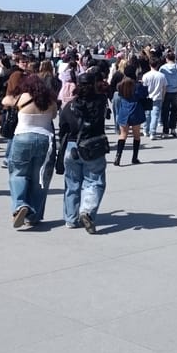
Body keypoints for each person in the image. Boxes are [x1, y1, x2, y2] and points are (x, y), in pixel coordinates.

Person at [2, 73, 56, 228]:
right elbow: (53, 115)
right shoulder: (50, 100)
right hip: (45, 139)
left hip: (22, 138)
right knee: (40, 179)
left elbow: (5, 100)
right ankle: (34, 216)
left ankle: (20, 205)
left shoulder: (23, 97)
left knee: (18, 173)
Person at [59, 71, 108, 233]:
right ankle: (87, 211)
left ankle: (71, 218)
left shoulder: (69, 106)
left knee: (72, 183)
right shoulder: (100, 102)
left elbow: (63, 128)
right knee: (94, 181)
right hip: (92, 147)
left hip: (72, 147)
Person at [114, 64, 149, 165]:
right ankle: (134, 157)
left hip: (124, 110)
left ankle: (118, 157)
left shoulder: (120, 85)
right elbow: (144, 94)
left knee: (123, 134)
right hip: (135, 110)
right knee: (136, 135)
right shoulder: (137, 85)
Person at [160, 51, 177, 137]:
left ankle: (165, 130)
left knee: (165, 111)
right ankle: (173, 128)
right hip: (175, 92)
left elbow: (161, 81)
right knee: (174, 111)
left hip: (166, 91)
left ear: (166, 59)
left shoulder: (163, 68)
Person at [141, 57, 167, 140]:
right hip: (157, 97)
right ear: (157, 65)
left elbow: (143, 87)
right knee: (155, 115)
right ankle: (153, 132)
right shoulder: (162, 76)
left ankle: (146, 130)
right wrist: (163, 96)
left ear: (149, 65)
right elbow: (164, 88)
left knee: (147, 115)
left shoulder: (145, 75)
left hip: (148, 97)